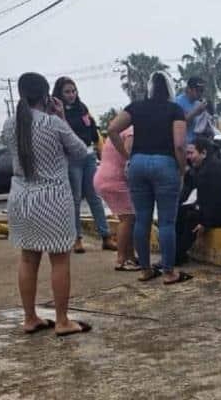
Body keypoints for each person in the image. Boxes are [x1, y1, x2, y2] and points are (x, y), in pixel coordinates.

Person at [3, 73, 92, 336]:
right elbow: (80, 152)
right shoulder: (54, 123)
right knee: (60, 260)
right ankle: (62, 321)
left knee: (28, 259)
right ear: (46, 96)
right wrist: (62, 116)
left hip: (20, 198)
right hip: (53, 199)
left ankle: (30, 317)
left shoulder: (9, 125)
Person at [108, 72, 190, 284]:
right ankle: (169, 272)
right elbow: (180, 145)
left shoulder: (136, 107)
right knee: (166, 222)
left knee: (141, 219)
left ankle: (145, 269)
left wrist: (128, 156)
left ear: (150, 88)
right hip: (165, 164)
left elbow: (112, 129)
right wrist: (182, 170)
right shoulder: (175, 109)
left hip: (138, 164)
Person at [52, 77, 114, 254]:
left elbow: (92, 128)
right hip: (71, 159)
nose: (71, 95)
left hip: (88, 156)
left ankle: (106, 236)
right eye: (67, 92)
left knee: (95, 197)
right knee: (75, 199)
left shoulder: (82, 108)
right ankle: (77, 239)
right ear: (59, 94)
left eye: (73, 91)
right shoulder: (56, 112)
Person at [176, 137, 221, 265]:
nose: (188, 157)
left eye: (191, 153)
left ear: (203, 153)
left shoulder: (212, 170)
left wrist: (205, 222)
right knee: (181, 211)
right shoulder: (200, 168)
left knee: (192, 218)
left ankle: (177, 256)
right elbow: (185, 195)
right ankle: (174, 251)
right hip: (214, 208)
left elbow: (215, 202)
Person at [93, 124, 137, 271]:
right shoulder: (131, 132)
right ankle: (122, 259)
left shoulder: (120, 130)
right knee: (128, 219)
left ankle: (130, 257)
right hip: (114, 179)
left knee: (127, 219)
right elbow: (128, 159)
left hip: (104, 177)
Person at [176, 77, 208, 144]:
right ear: (188, 89)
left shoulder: (198, 103)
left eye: (202, 90)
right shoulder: (178, 102)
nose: (200, 93)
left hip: (194, 145)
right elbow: (179, 123)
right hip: (182, 144)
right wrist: (195, 112)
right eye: (198, 90)